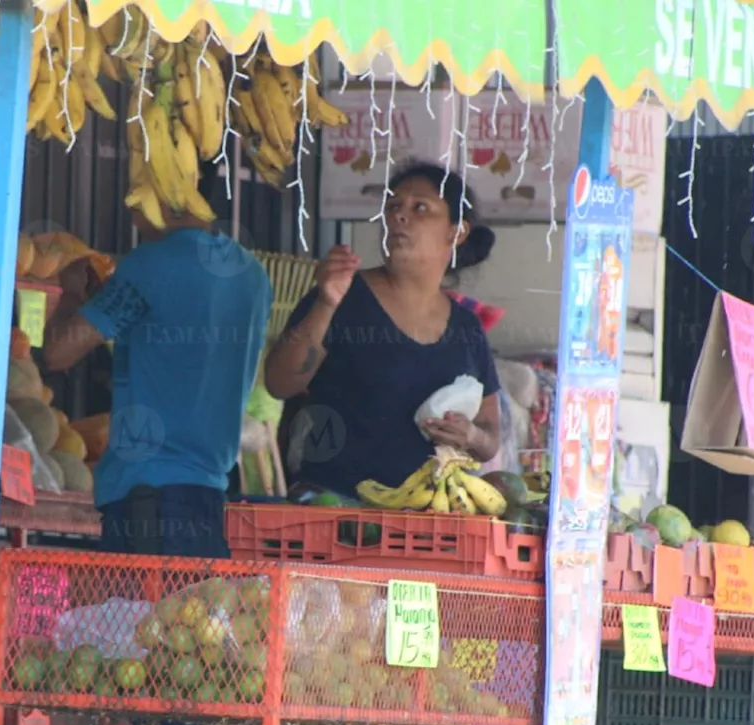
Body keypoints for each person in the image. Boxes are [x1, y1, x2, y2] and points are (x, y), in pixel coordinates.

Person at [43, 204, 271, 558]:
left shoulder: (149, 263)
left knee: (140, 613)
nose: (132, 211)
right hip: (209, 493)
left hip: (147, 497)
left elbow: (58, 353)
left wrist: (72, 291)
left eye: (136, 200)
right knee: (190, 613)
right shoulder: (253, 274)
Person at [265, 161, 501, 497]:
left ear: (457, 231)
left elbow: (490, 436)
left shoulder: (467, 328)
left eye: (420, 207)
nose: (398, 217)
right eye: (392, 207)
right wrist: (326, 303)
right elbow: (280, 383)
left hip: (425, 523)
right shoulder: (344, 295)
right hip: (330, 510)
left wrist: (471, 437)